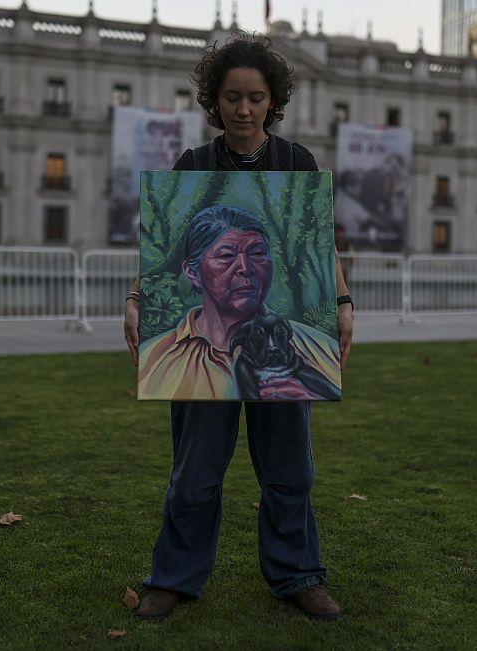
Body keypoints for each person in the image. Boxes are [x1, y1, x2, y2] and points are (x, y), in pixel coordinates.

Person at [123, 33, 354, 621]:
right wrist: (136, 298)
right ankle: (174, 578)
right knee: (194, 472)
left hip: (278, 342)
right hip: (205, 349)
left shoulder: (296, 163)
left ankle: (298, 575)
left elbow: (321, 243)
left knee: (290, 469)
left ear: (272, 101)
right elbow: (163, 249)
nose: (244, 110)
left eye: (255, 98)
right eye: (232, 97)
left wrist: (343, 301)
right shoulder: (193, 166)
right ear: (215, 100)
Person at [138, 204, 341, 401]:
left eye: (258, 253)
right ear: (192, 273)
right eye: (226, 255)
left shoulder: (321, 350)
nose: (245, 268)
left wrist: (344, 299)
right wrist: (134, 295)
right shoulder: (153, 359)